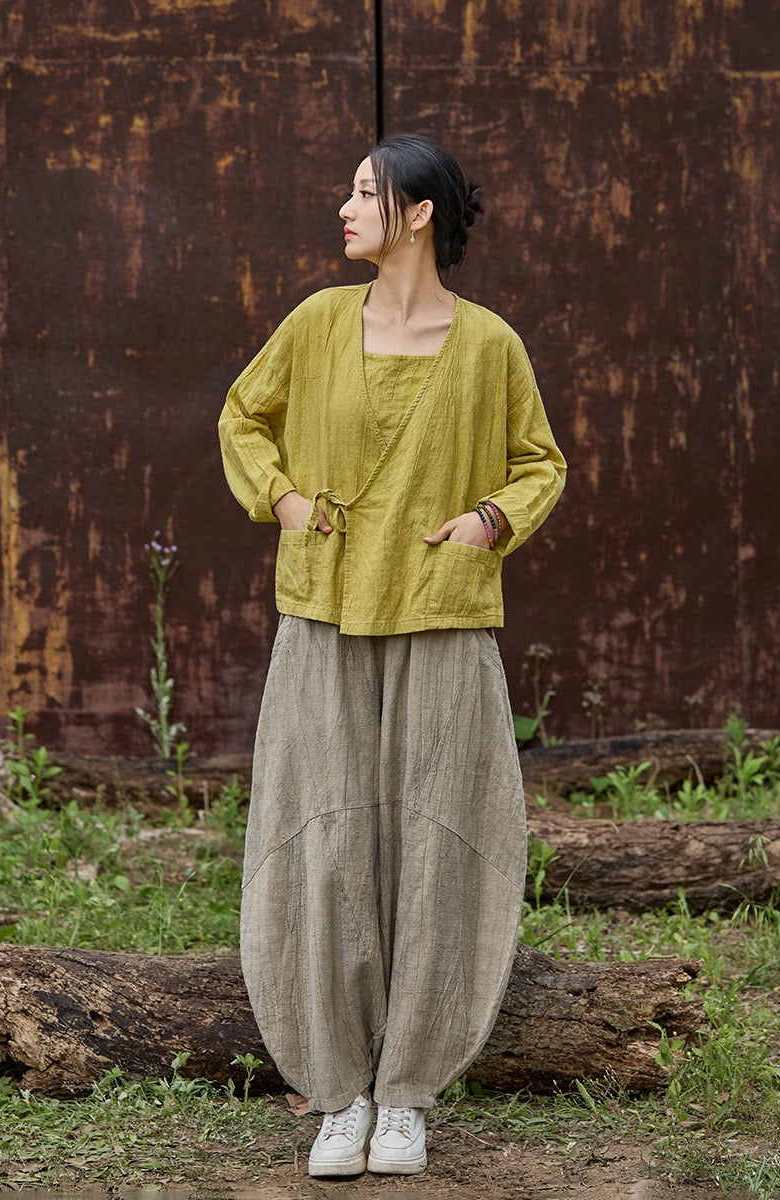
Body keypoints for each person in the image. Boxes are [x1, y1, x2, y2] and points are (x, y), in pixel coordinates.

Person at [218, 132, 566, 1177]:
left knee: (439, 844)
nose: (344, 206)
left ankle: (408, 1092)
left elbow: (540, 464)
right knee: (321, 839)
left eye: (364, 192)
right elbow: (243, 418)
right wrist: (282, 498)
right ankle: (339, 1093)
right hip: (325, 612)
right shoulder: (316, 323)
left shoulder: (490, 344)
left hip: (440, 616)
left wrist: (488, 522)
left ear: (419, 214)